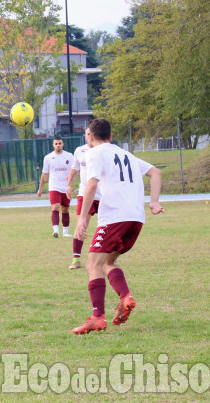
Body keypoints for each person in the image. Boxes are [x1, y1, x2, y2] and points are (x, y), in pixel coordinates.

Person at [72, 118, 164, 335]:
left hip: (114, 216)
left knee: (92, 264)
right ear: (111, 137)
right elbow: (156, 172)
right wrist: (154, 202)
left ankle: (97, 318)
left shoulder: (93, 153)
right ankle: (125, 298)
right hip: (136, 218)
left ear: (91, 138)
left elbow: (92, 183)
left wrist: (82, 218)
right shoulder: (127, 155)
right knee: (107, 262)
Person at [66, 127, 102, 270]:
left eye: (92, 134)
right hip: (84, 194)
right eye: (88, 134)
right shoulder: (79, 151)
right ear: (85, 137)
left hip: (103, 194)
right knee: (81, 225)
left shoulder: (103, 151)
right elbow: (74, 169)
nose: (90, 136)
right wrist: (69, 185)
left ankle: (105, 257)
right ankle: (76, 258)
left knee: (107, 226)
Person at [37, 137, 74, 238]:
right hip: (54, 187)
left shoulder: (69, 156)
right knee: (55, 207)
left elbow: (74, 171)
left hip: (65, 187)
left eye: (60, 143)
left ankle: (66, 232)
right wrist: (40, 189)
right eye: (56, 143)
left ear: (63, 144)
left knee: (65, 209)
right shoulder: (48, 158)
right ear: (53, 145)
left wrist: (70, 179)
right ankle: (56, 230)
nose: (58, 145)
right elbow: (44, 174)